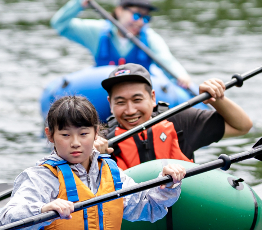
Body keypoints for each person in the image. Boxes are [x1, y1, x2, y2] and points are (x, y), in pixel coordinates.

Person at [0, 95, 188, 230]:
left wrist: (167, 184)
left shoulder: (111, 172)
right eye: (65, 135)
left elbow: (149, 208)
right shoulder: (41, 177)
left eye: (83, 134)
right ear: (50, 135)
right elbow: (7, 225)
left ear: (96, 133)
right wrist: (43, 210)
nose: (75, 143)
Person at [95, 64, 253, 169]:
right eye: (120, 102)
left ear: (152, 97)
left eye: (137, 100)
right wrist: (92, 158)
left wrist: (217, 100)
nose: (130, 111)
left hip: (183, 211)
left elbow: (242, 126)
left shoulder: (181, 120)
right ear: (110, 103)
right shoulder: (102, 140)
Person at [51, 0, 195, 89]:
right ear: (119, 10)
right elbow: (60, 24)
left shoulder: (150, 38)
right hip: (102, 91)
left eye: (146, 18)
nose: (140, 22)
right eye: (137, 15)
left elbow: (167, 60)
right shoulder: (97, 31)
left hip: (139, 95)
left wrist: (181, 76)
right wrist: (78, 3)